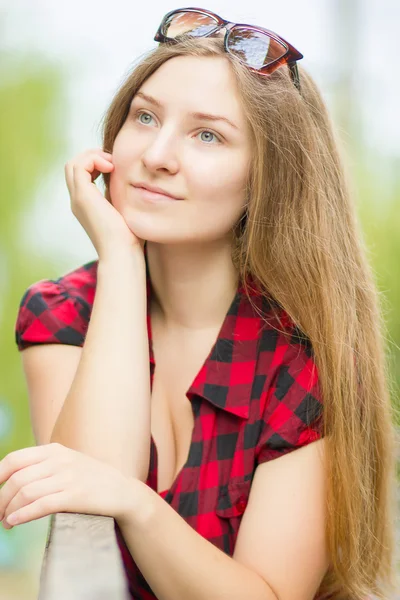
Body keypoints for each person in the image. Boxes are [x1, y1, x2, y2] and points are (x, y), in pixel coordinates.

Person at [5, 7, 397, 600]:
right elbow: (83, 511)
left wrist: (138, 505)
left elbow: (265, 595)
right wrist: (117, 256)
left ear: (267, 177)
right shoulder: (65, 312)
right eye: (145, 117)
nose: (157, 154)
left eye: (207, 134)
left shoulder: (304, 360)